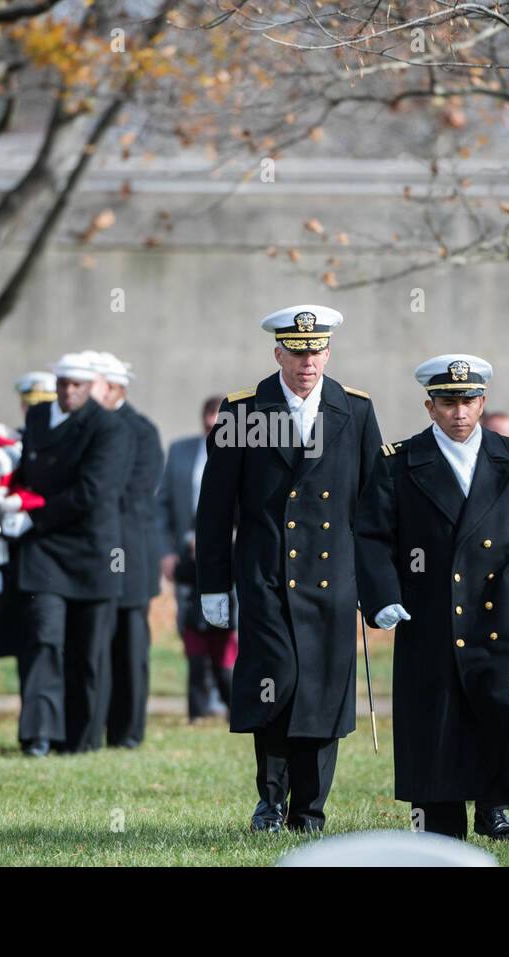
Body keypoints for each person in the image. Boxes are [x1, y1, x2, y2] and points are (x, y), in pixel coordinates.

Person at [356, 353, 509, 841]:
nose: (460, 412)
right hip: (431, 612)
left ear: (483, 401)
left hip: (502, 608)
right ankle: (437, 814)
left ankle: (494, 807)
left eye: (469, 400)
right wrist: (382, 596)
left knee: (501, 711)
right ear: (430, 407)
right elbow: (371, 538)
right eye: (448, 402)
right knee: (437, 718)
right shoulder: (400, 462)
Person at [196, 304, 383, 833]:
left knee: (323, 690)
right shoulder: (244, 412)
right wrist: (213, 585)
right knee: (273, 683)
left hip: (334, 579)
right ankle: (271, 801)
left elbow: (375, 506)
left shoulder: (357, 411)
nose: (308, 361)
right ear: (277, 352)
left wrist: (378, 583)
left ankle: (309, 809)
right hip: (266, 576)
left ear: (329, 352)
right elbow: (215, 508)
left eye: (317, 350)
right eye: (297, 351)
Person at [5, 352, 132, 756]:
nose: (69, 391)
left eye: (77, 384)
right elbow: (26, 467)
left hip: (92, 551)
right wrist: (9, 493)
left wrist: (34, 515)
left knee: (88, 653)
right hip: (44, 554)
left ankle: (82, 741)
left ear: (90, 385)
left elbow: (94, 492)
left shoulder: (110, 427)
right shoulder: (38, 418)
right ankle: (39, 736)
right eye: (63, 383)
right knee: (44, 640)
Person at [91, 351, 165, 749]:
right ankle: (97, 726)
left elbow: (134, 494)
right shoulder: (92, 427)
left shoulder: (140, 430)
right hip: (96, 558)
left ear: (115, 387)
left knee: (130, 649)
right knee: (97, 647)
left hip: (129, 558)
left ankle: (127, 732)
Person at [158, 396, 238, 721]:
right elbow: (161, 504)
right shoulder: (180, 450)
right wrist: (166, 553)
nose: (212, 423)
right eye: (208, 416)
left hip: (229, 556)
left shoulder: (241, 452)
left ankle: (228, 698)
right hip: (187, 558)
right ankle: (199, 705)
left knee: (226, 626)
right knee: (191, 623)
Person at [0, 372, 57, 665]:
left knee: (48, 639)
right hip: (13, 558)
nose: (32, 412)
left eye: (40, 405)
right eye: (28, 405)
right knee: (22, 643)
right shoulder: (10, 445)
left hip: (49, 553)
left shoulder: (61, 443)